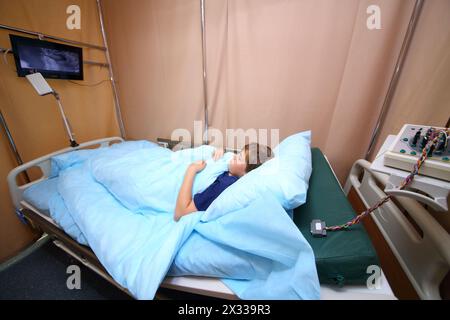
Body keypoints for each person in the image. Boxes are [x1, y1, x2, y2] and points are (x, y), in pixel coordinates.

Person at [174, 143, 273, 221]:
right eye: (238, 153)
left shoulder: (223, 185)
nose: (234, 156)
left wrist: (191, 169)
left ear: (246, 174)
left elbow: (181, 213)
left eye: (239, 158)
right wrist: (221, 151)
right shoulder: (232, 170)